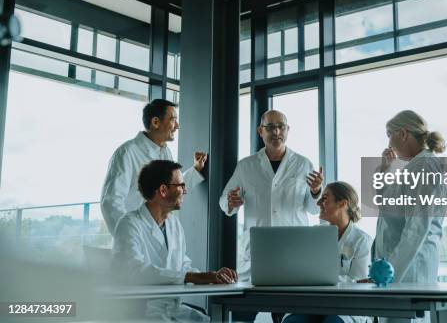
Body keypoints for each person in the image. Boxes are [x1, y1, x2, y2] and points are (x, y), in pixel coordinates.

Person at [112, 160, 237, 322]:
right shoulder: (129, 224)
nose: (185, 191)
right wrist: (194, 277)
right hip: (142, 315)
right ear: (163, 190)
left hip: (173, 310)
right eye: (181, 186)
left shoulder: (174, 224)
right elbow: (135, 271)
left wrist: (214, 278)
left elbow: (183, 266)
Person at [219, 109, 324, 281]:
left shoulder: (303, 164)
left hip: (294, 246)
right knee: (252, 302)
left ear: (288, 129)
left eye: (281, 127)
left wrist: (316, 191)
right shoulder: (246, 165)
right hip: (259, 247)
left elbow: (313, 209)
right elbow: (224, 201)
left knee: (293, 302)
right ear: (261, 131)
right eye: (270, 127)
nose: (276, 132)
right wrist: (231, 203)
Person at [101, 99, 208, 236]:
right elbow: (110, 202)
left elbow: (172, 188)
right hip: (137, 236)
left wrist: (196, 169)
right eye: (173, 120)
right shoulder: (127, 153)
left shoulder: (165, 152)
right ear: (155, 122)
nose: (177, 126)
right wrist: (129, 236)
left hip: (160, 231)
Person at [374, 110, 447, 285]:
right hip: (399, 270)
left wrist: (390, 275)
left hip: (409, 271)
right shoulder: (414, 167)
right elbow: (386, 205)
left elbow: (416, 227)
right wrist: (384, 169)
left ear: (403, 134)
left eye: (389, 135)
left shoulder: (424, 166)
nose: (389, 143)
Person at [283, 181, 373, 323]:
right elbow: (303, 275)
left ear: (343, 203)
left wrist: (320, 281)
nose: (318, 203)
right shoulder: (313, 235)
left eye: (324, 198)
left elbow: (359, 284)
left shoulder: (362, 241)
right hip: (314, 303)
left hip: (348, 306)